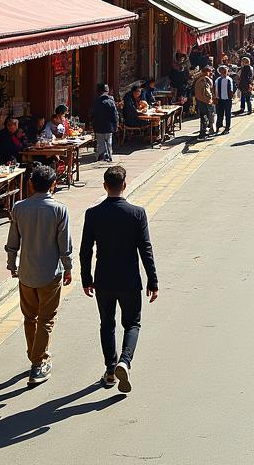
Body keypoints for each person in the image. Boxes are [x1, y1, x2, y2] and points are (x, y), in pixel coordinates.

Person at [80, 164, 158, 394]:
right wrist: (153, 280)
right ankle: (125, 360)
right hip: (130, 279)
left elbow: (86, 250)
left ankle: (110, 370)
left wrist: (86, 278)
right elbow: (145, 249)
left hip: (103, 279)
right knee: (132, 323)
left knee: (107, 323)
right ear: (124, 186)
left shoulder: (92, 214)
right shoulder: (137, 213)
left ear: (105, 186)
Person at [5, 165, 73, 387]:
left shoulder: (19, 208)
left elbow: (13, 242)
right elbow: (65, 244)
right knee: (46, 319)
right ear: (53, 184)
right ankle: (38, 362)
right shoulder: (59, 210)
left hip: (26, 273)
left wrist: (11, 264)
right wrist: (68, 267)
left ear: (31, 184)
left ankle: (34, 354)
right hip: (50, 273)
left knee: (29, 317)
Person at [90, 84, 118, 163]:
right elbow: (115, 115)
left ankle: (100, 156)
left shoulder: (96, 101)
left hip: (98, 125)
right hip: (109, 125)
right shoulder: (110, 101)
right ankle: (109, 156)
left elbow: (92, 113)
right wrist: (116, 125)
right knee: (108, 141)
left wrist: (91, 122)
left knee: (100, 141)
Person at [214, 65, 235, 135]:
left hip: (227, 99)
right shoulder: (218, 80)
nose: (224, 73)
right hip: (220, 99)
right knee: (220, 114)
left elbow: (232, 89)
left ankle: (227, 127)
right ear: (220, 72)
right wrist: (216, 98)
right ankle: (218, 126)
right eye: (222, 71)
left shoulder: (229, 79)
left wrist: (231, 96)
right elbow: (215, 90)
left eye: (225, 71)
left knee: (227, 114)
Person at [195, 66, 214, 141]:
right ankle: (202, 134)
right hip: (206, 101)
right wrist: (210, 99)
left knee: (203, 116)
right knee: (206, 117)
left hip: (200, 100)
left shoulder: (198, 79)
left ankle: (203, 132)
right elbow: (208, 92)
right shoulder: (206, 80)